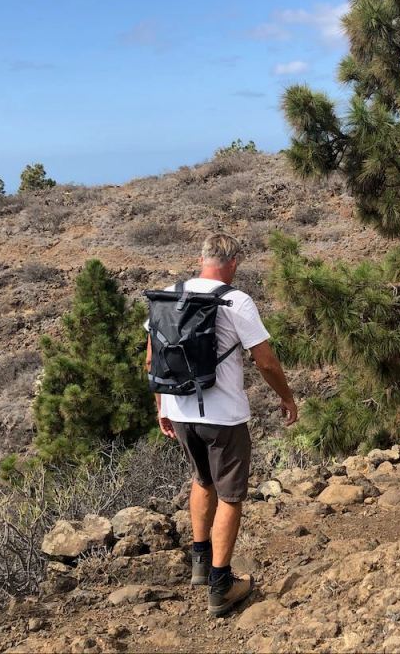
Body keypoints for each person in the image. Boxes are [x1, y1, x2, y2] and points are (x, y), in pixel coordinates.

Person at [146, 233, 298, 617]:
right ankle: (220, 584)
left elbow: (152, 359)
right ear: (232, 263)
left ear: (202, 259)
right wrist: (286, 396)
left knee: (201, 481)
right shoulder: (236, 300)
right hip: (224, 416)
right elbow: (265, 360)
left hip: (180, 413)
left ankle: (200, 562)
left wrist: (161, 405)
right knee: (231, 495)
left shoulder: (168, 295)